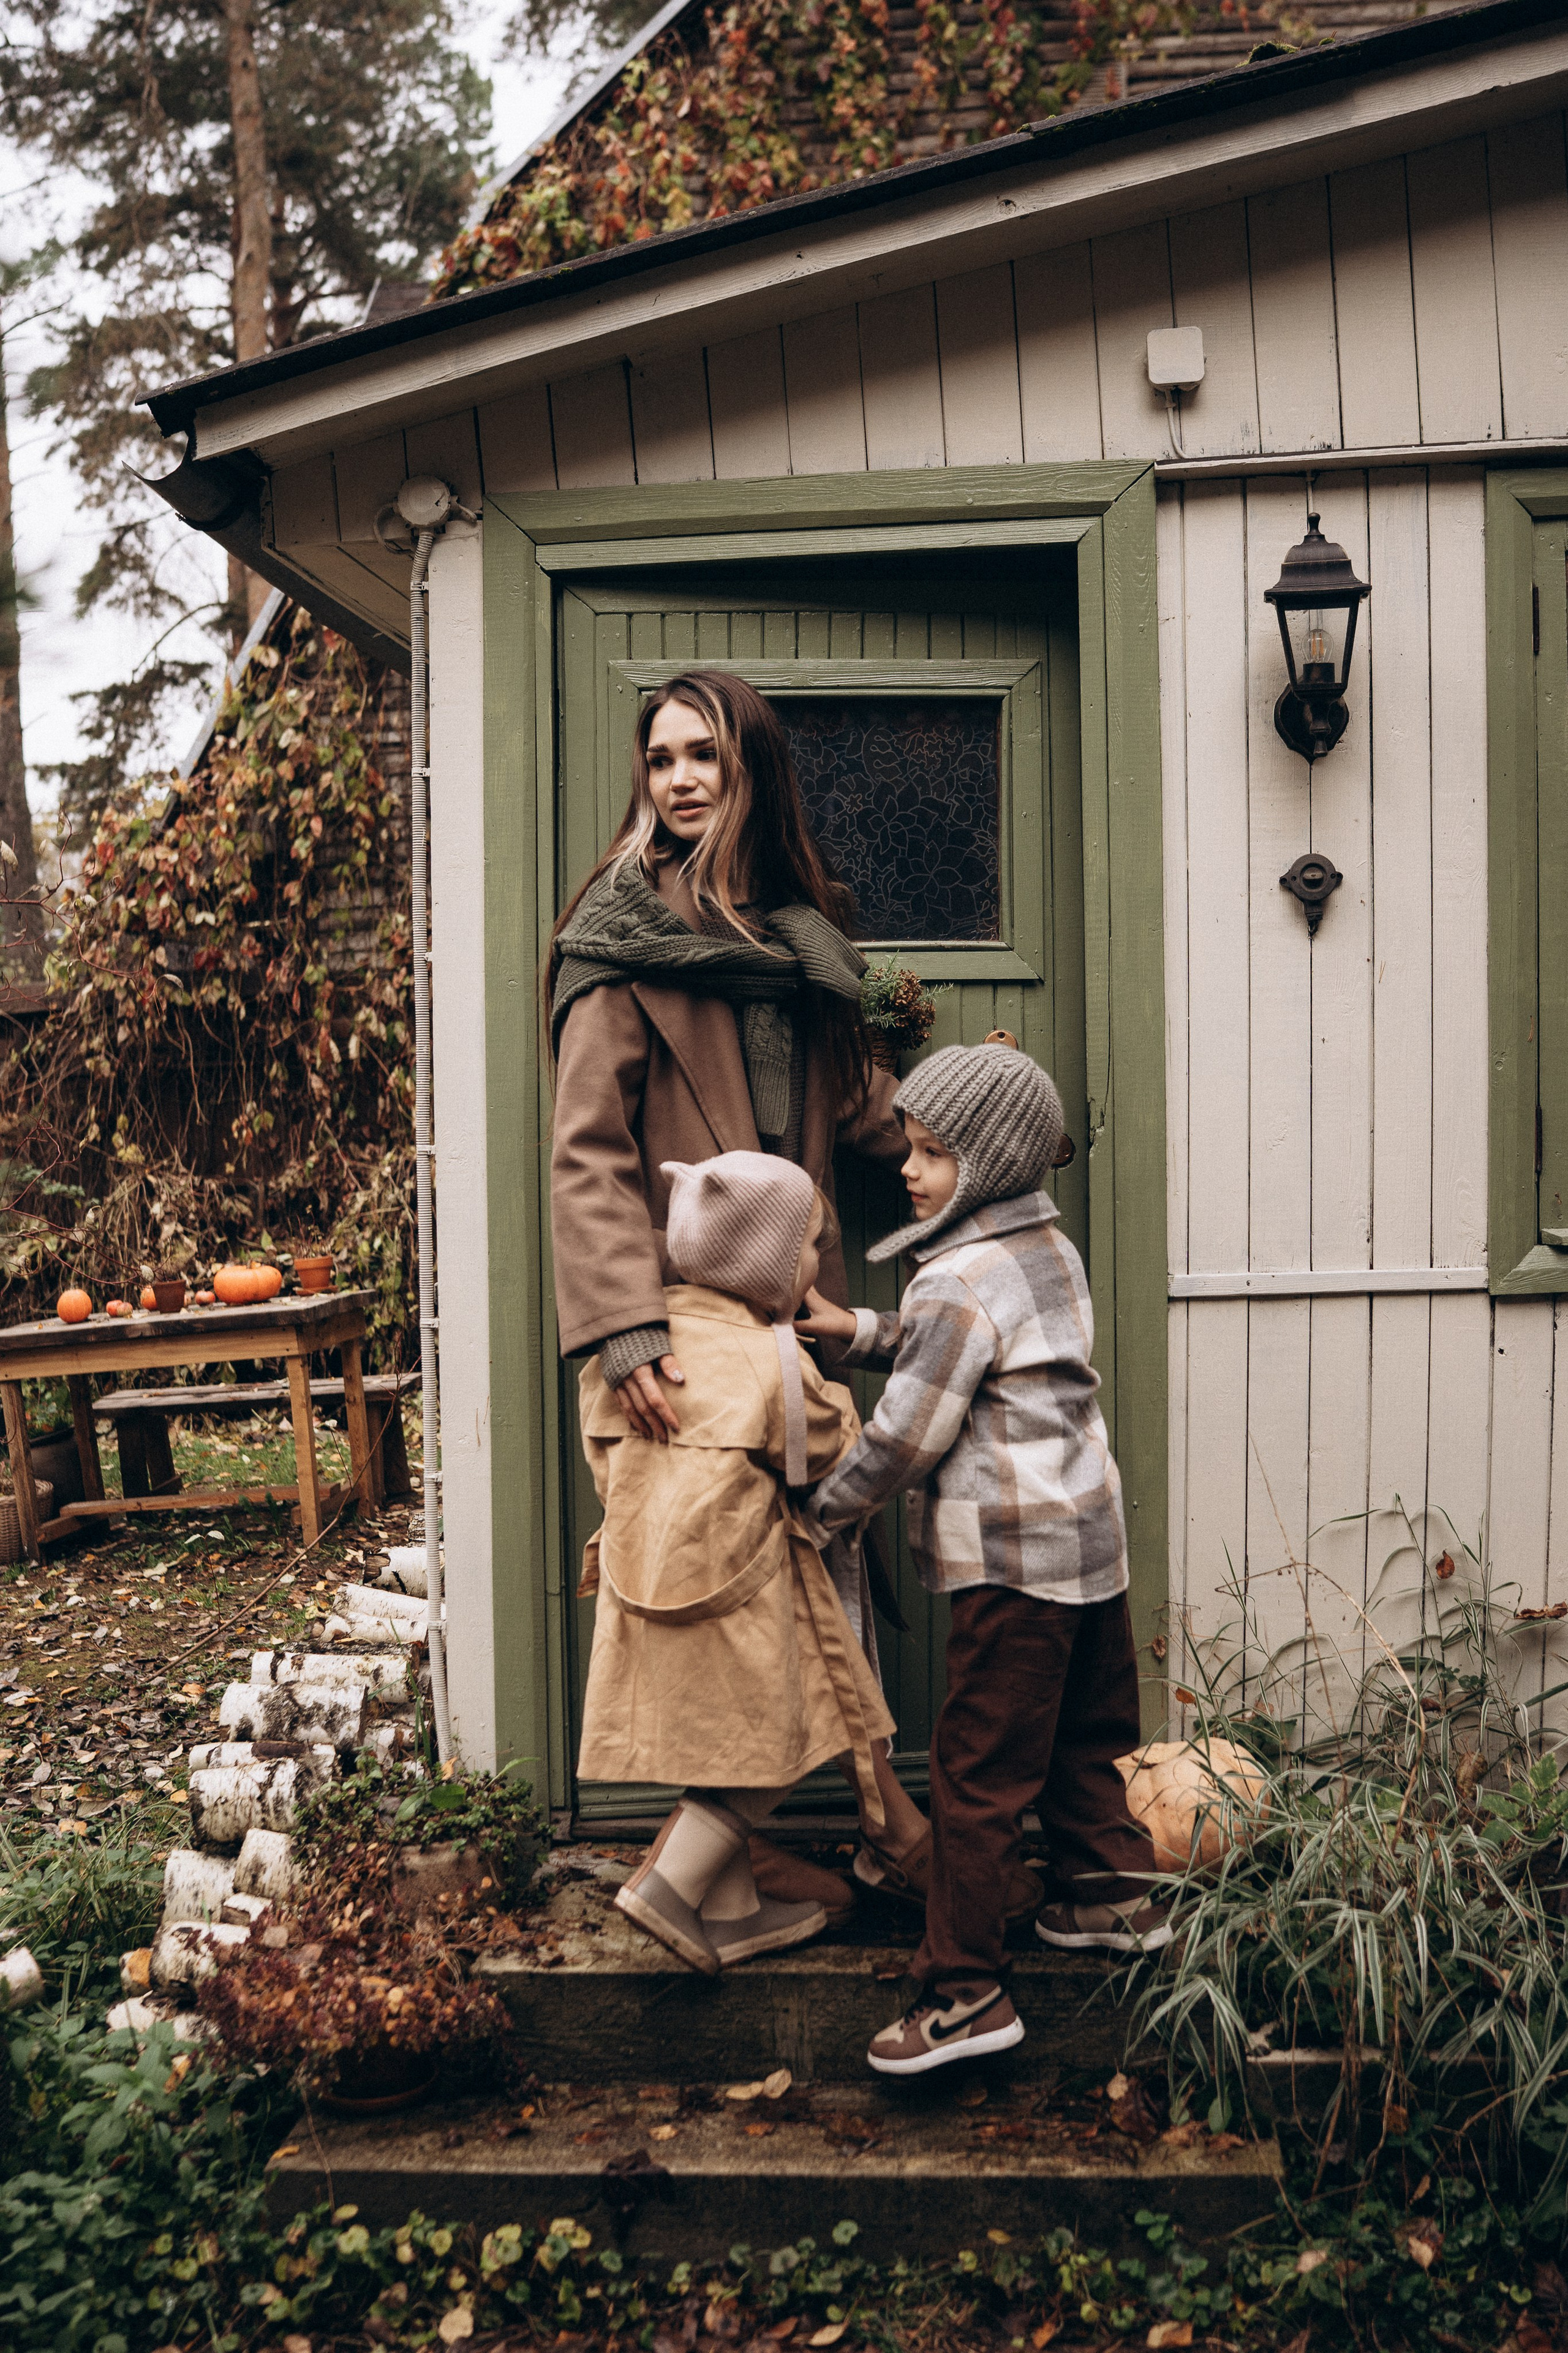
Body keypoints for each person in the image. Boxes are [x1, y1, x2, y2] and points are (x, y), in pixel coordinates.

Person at [547, 668, 930, 1905]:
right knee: (748, 1571)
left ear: (748, 770)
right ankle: (812, 1838)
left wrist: (969, 1108)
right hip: (681, 1323)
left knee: (787, 1571)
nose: (678, 778)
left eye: (702, 754)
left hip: (781, 1319)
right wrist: (622, 1331)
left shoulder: (805, 946)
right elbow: (586, 1157)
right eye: (659, 760)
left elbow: (873, 1112)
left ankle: (753, 1850)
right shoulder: (615, 942)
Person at [796, 1043, 1169, 2077]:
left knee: (978, 1772)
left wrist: (829, 1510)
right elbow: (970, 1345)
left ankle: (966, 1989)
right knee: (1087, 1734)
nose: (907, 1169)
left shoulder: (957, 1274)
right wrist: (860, 1325)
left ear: (991, 1161)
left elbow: (912, 1429)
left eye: (929, 1153)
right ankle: (1110, 1896)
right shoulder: (1047, 1245)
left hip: (1009, 1559)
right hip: (1088, 1538)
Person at [578, 1151, 895, 1973]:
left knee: (710, 1735)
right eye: (808, 1253)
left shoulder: (624, 1359)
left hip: (639, 1580)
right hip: (740, 1588)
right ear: (766, 1269)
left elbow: (605, 1461)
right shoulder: (771, 1364)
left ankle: (733, 1909)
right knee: (775, 1736)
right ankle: (670, 1886)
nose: (817, 1267)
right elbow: (830, 1448)